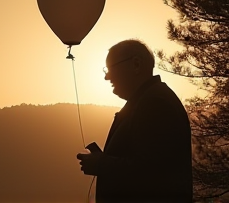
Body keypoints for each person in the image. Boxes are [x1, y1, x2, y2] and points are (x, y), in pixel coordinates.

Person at [77, 39, 193, 203]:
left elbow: (151, 171)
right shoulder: (147, 100)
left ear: (136, 64)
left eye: (110, 68)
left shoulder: (155, 104)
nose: (106, 76)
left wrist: (102, 164)